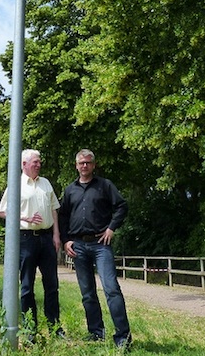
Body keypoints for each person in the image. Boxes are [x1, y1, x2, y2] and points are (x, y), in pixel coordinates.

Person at [59, 148, 132, 350]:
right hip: (78, 246)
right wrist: (65, 241)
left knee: (111, 289)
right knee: (88, 293)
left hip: (101, 245)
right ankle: (96, 333)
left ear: (94, 165)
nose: (84, 166)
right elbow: (62, 216)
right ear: (76, 165)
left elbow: (121, 206)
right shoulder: (69, 190)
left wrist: (111, 228)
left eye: (88, 163)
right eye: (81, 163)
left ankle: (123, 338)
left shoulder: (105, 186)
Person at [0, 149, 65, 338]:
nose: (38, 164)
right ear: (24, 164)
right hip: (26, 239)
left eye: (39, 161)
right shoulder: (15, 184)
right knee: (27, 286)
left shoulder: (45, 183)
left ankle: (55, 328)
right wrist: (24, 217)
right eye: (35, 162)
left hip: (46, 238)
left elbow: (54, 210)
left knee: (52, 285)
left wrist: (56, 235)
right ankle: (30, 330)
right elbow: (2, 212)